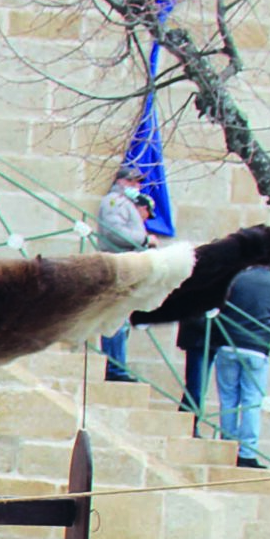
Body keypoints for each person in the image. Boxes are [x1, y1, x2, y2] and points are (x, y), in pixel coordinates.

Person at [212, 264, 270, 468]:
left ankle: (226, 447)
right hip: (257, 348)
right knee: (252, 401)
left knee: (228, 399)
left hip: (228, 345)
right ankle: (246, 453)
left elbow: (219, 308)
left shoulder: (235, 279)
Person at [94, 162, 154, 384]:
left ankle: (117, 364)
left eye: (138, 182)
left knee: (121, 318)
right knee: (116, 317)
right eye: (131, 181)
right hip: (116, 262)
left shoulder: (124, 202)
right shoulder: (114, 201)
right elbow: (115, 232)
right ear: (120, 181)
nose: (136, 185)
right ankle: (115, 367)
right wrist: (144, 239)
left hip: (124, 263)